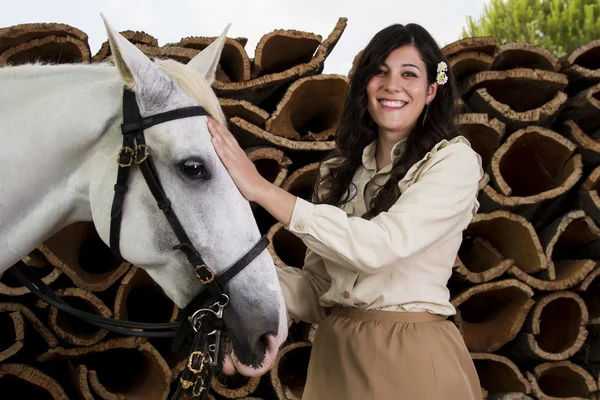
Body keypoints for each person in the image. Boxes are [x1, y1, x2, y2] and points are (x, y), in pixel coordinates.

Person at [207, 22, 483, 400]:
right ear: (365, 83)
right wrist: (230, 272)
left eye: (409, 74)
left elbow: (380, 247)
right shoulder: (337, 173)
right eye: (380, 71)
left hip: (411, 358)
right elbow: (318, 291)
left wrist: (261, 190)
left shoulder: (453, 162)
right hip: (334, 359)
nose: (392, 85)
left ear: (432, 90)